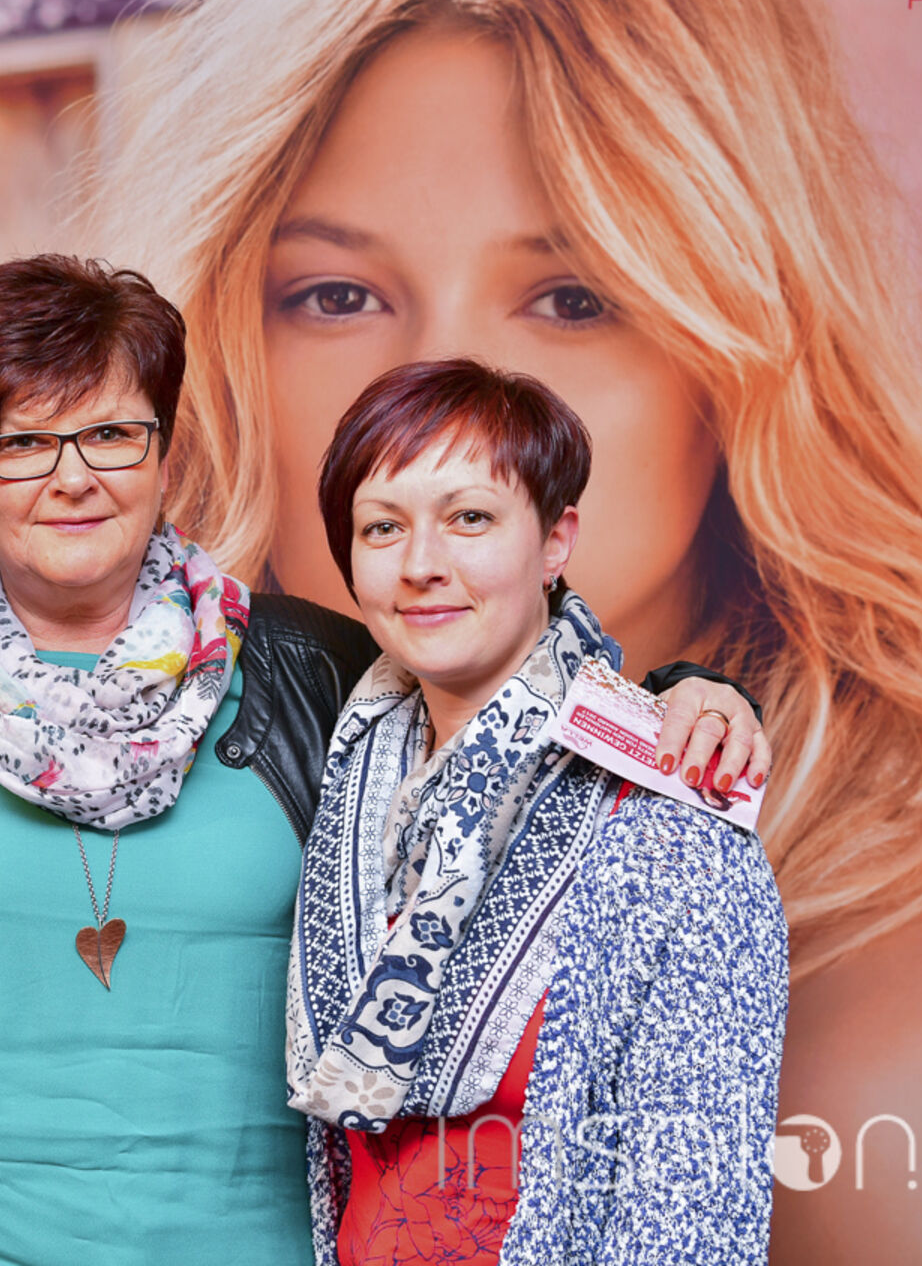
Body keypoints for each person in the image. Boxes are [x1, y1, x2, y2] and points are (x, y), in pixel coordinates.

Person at [91, 0, 922, 1256]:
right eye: (337, 295)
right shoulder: (190, 877)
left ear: (740, 365)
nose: (440, 420)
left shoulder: (907, 1009)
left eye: (571, 298)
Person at [0, 254, 764, 1265]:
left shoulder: (314, 669)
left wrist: (691, 689)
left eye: (112, 433)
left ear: (164, 454)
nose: (74, 476)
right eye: (22, 441)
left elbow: (501, 687)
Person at [291, 358, 785, 1265]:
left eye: (470, 518)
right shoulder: (347, 770)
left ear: (556, 540)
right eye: (382, 527)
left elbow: (694, 1215)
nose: (421, 566)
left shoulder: (668, 821)